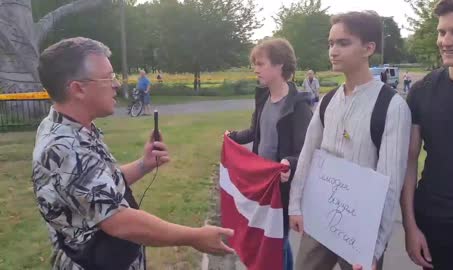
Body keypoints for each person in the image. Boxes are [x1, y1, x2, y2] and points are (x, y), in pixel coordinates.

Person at [33, 37, 234, 270]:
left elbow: (96, 185)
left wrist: (144, 164)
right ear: (78, 89)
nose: (116, 84)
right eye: (108, 77)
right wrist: (194, 236)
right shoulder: (63, 147)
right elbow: (120, 222)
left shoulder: (69, 127)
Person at [288, 11, 411, 270]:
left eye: (343, 43)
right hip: (319, 217)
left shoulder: (392, 106)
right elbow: (308, 154)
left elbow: (390, 182)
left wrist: (375, 249)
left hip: (361, 230)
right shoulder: (328, 101)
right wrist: (295, 205)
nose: (333, 50)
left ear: (368, 48)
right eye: (331, 43)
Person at [401, 0, 453, 269]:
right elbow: (409, 162)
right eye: (441, 32)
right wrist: (410, 227)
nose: (446, 41)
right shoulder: (422, 91)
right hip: (433, 221)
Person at [226, 38, 312, 270]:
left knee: (275, 242)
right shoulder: (263, 98)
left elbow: (306, 149)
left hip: (283, 190)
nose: (255, 69)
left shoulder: (299, 106)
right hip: (262, 186)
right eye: (255, 63)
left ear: (280, 66)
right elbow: (255, 132)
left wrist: (289, 163)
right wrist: (233, 137)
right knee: (276, 241)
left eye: (261, 64)